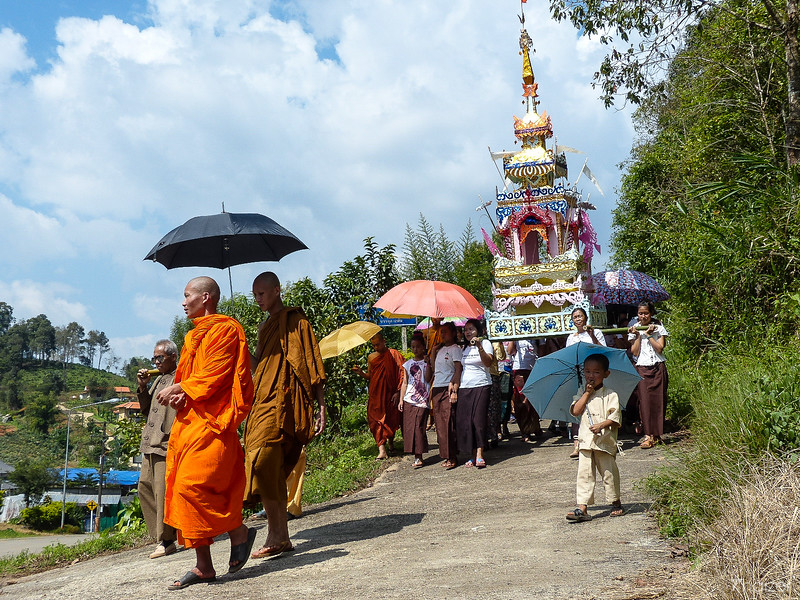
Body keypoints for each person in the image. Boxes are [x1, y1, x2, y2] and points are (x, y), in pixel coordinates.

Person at [157, 277, 256, 590]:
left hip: (216, 421)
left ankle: (238, 532)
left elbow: (213, 375)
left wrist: (181, 387)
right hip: (191, 423)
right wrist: (179, 394)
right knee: (180, 488)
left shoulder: (226, 329)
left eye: (187, 296)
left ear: (206, 297)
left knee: (192, 486)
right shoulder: (190, 338)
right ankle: (204, 567)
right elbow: (192, 379)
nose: (183, 302)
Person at [245, 271, 326, 559]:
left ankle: (277, 535)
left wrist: (321, 407)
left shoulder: (296, 321)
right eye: (255, 295)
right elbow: (259, 367)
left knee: (270, 463)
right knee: (265, 462)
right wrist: (241, 347)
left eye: (262, 293)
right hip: (265, 400)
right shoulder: (264, 327)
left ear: (277, 290)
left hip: (290, 402)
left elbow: (312, 363)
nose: (258, 299)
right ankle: (280, 535)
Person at [566, 353, 624, 522]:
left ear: (606, 374)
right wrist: (586, 394)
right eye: (587, 372)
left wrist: (601, 425)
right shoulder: (581, 393)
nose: (591, 376)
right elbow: (576, 411)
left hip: (604, 441)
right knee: (584, 474)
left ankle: (615, 501)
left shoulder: (611, 394)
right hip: (585, 441)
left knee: (608, 473)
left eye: (596, 372)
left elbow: (615, 417)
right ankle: (582, 506)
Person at [136, 340, 179, 559]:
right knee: (145, 487)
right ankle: (159, 536)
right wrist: (143, 386)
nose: (155, 362)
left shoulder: (179, 377)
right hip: (149, 444)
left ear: (173, 357)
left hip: (166, 443)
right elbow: (145, 410)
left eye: (160, 358)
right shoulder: (159, 379)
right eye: (154, 358)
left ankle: (167, 540)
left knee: (162, 492)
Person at [352, 332, 403, 460]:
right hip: (376, 393)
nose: (376, 348)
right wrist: (361, 373)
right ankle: (382, 450)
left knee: (391, 419)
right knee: (375, 420)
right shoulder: (371, 357)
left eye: (378, 344)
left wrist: (398, 392)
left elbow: (402, 373)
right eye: (374, 345)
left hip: (390, 393)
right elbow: (370, 376)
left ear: (384, 341)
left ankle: (391, 443)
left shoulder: (393, 355)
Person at [566, 307, 608, 458]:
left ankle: (600, 437)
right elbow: (569, 355)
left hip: (595, 373)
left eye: (580, 316)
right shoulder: (571, 337)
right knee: (579, 404)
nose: (578, 319)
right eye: (575, 317)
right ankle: (577, 443)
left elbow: (603, 350)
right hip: (580, 373)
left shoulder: (596, 333)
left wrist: (592, 336)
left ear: (586, 318)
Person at [628, 301, 668, 449]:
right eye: (640, 313)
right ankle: (647, 435)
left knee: (659, 401)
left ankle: (657, 435)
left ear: (651, 313)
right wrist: (638, 335)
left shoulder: (658, 327)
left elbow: (660, 348)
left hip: (658, 367)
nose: (643, 316)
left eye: (646, 313)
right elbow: (635, 352)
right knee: (644, 402)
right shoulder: (634, 327)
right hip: (642, 368)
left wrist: (650, 335)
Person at [457, 319, 493, 468]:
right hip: (465, 387)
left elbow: (488, 362)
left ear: (478, 330)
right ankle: (471, 455)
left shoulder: (485, 344)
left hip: (481, 385)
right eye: (466, 330)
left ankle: (479, 454)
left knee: (478, 421)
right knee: (466, 423)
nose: (468, 332)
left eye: (471, 329)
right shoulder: (464, 348)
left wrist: (479, 347)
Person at [430, 322, 462, 469]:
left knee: (449, 422)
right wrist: (433, 352)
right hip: (436, 387)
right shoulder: (440, 349)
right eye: (441, 332)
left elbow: (458, 370)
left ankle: (452, 456)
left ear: (453, 333)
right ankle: (446, 455)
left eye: (445, 332)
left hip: (447, 387)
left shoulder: (455, 349)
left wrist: (454, 389)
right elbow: (434, 369)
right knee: (440, 425)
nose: (442, 335)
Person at [399, 334, 432, 468]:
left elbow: (429, 379)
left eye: (418, 346)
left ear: (424, 347)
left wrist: (428, 364)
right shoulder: (408, 364)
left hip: (423, 399)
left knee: (419, 428)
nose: (415, 349)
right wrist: (401, 399)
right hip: (409, 399)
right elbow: (405, 383)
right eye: (413, 347)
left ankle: (420, 455)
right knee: (409, 428)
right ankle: (415, 455)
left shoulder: (427, 363)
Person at [507, 338, 542, 441]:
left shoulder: (537, 335)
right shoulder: (517, 336)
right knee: (521, 400)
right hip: (520, 368)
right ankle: (524, 431)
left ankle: (535, 427)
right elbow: (509, 351)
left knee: (533, 400)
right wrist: (513, 338)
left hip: (534, 368)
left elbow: (543, 350)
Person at [424, 317, 444, 430]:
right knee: (430, 390)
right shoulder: (426, 331)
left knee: (437, 390)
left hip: (441, 360)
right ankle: (431, 418)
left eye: (437, 317)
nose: (434, 319)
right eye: (433, 317)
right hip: (430, 362)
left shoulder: (443, 331)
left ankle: (436, 418)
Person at [486, 341, 506, 447]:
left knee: (494, 407)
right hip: (481, 376)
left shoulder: (494, 343)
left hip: (493, 375)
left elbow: (501, 356)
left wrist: (500, 343)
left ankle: (494, 434)